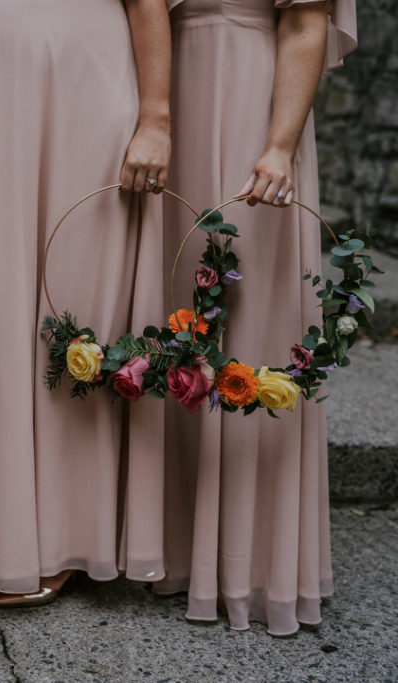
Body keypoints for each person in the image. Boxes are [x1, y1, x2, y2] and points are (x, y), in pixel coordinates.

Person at [0, 0, 173, 605]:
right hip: (1, 90)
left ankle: (70, 533)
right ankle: (2, 530)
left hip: (85, 79)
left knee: (71, 292)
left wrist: (156, 118)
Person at [155, 0, 356, 636]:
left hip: (249, 97)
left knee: (248, 307)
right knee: (180, 308)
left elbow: (304, 21)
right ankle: (176, 550)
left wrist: (278, 145)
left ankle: (250, 565)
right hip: (168, 96)